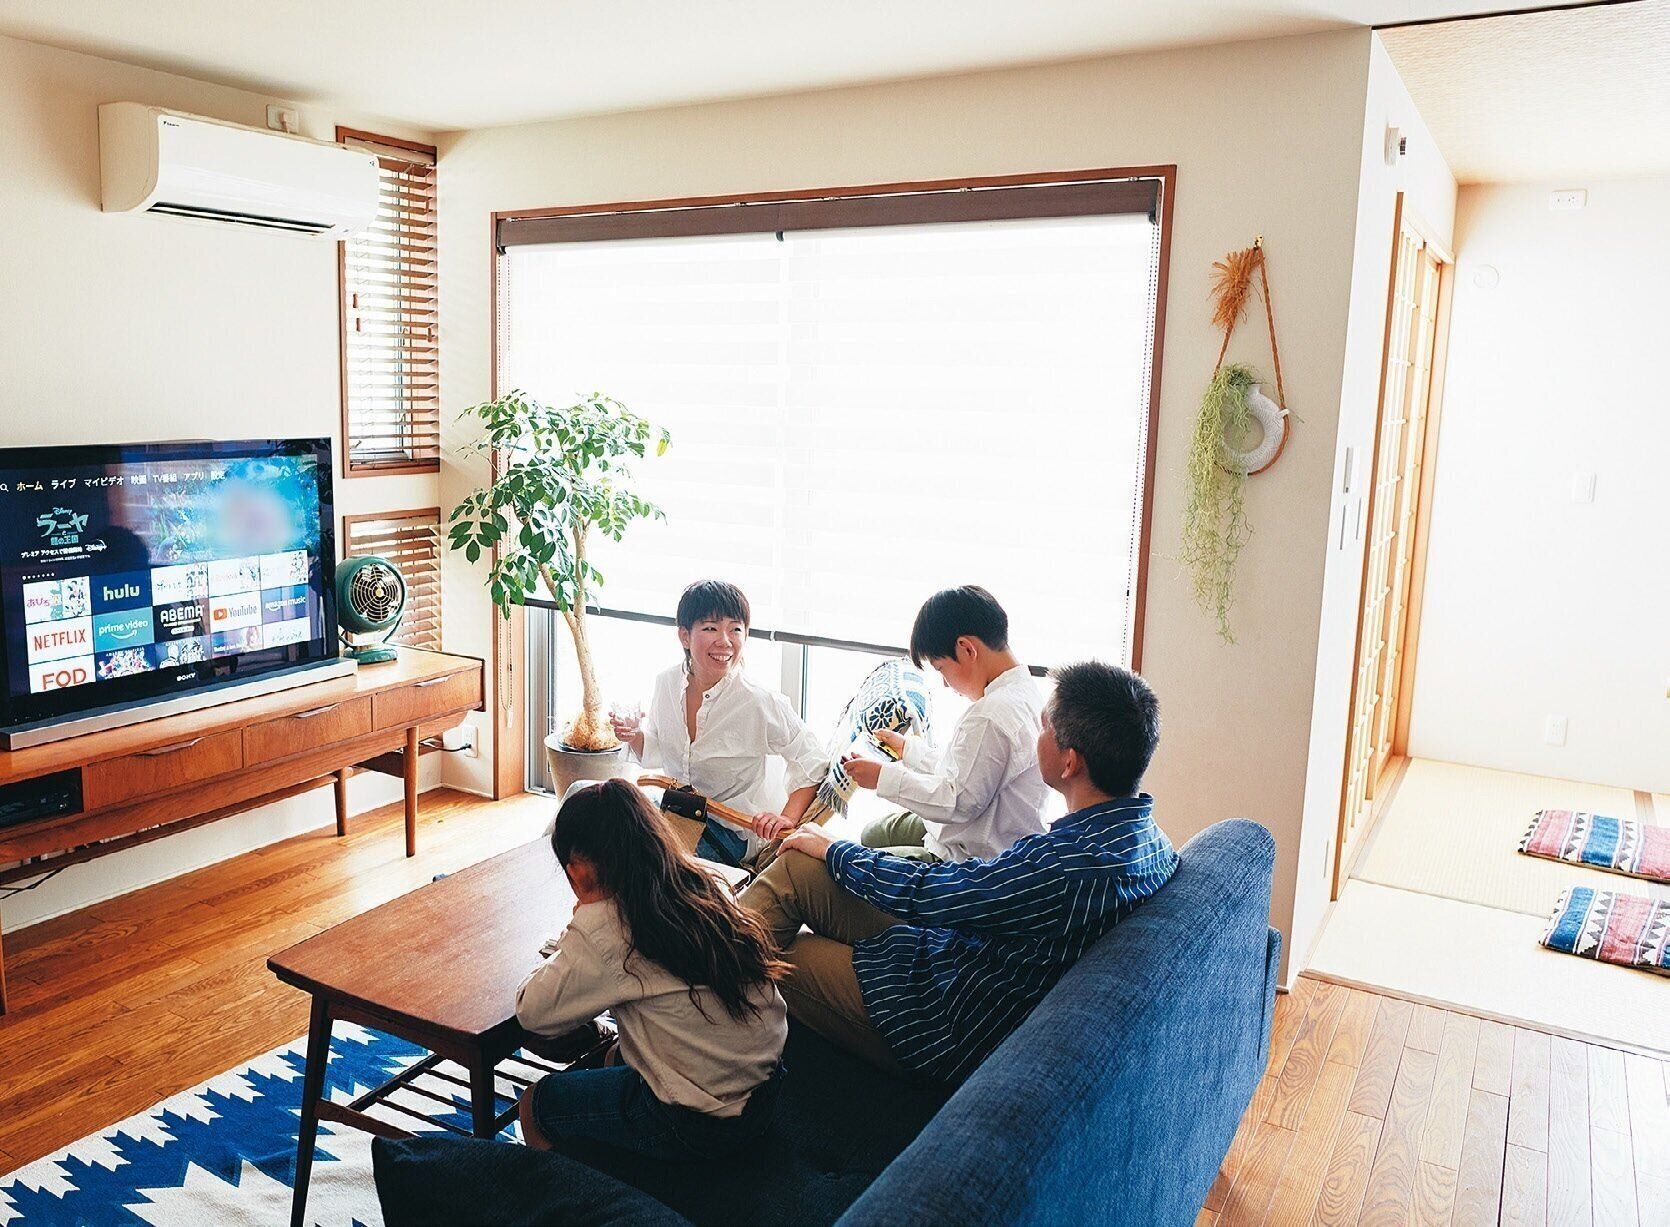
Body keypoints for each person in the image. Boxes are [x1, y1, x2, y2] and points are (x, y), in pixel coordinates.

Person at [738, 661, 1178, 1083]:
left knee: (773, 954)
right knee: (798, 868)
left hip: (934, 1015)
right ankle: (706, 962)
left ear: (1069, 763)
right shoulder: (1146, 838)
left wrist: (838, 851)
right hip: (945, 954)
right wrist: (833, 852)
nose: (1035, 734)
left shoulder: (1066, 865)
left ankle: (706, 1015)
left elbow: (935, 892)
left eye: (1044, 726)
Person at [515, 780, 789, 1159]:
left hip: (701, 1123)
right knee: (615, 1054)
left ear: (577, 872)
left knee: (535, 1104)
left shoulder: (609, 927)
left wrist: (580, 920)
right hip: (765, 1089)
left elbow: (532, 1012)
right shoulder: (700, 883)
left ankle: (587, 1186)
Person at [612, 580, 827, 866]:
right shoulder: (666, 683)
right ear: (685, 636)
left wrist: (786, 818)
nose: (725, 641)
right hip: (676, 812)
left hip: (730, 831)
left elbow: (813, 760)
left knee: (641, 856)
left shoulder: (758, 701)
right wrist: (633, 735)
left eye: (735, 629)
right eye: (711, 628)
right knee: (595, 805)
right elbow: (659, 749)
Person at [839, 585, 1048, 863]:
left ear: (966, 649)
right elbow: (968, 772)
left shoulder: (990, 716)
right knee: (872, 834)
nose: (946, 684)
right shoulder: (1024, 693)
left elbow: (958, 802)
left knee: (858, 861)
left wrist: (882, 778)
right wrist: (909, 750)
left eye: (941, 668)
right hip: (979, 833)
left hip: (967, 858)